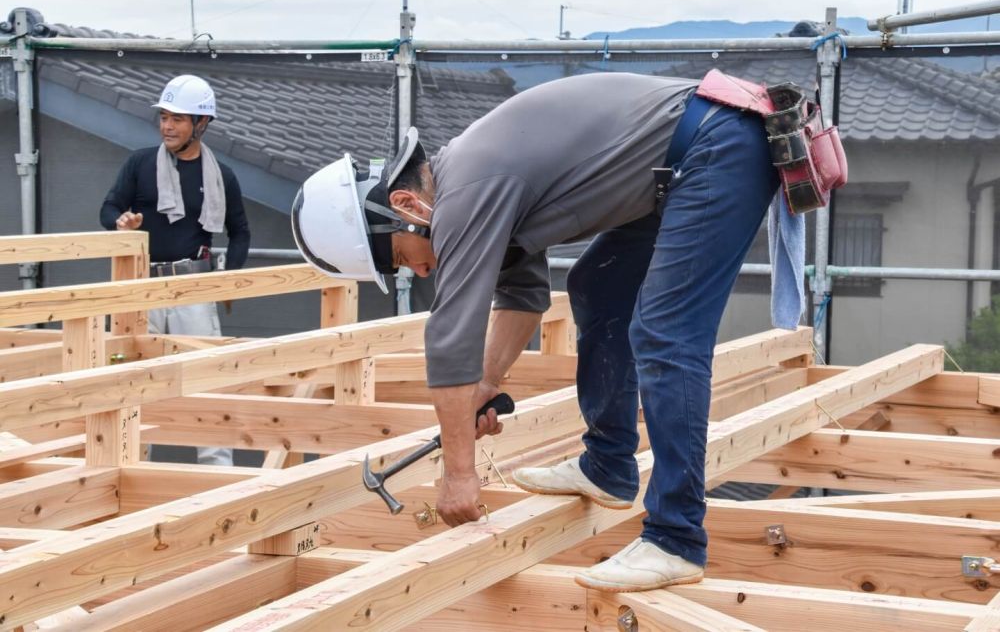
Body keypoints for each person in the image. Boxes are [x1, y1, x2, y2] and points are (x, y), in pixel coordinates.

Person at [292, 72, 806, 591]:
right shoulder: (478, 186)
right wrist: (485, 386)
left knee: (666, 335)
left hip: (716, 145)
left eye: (404, 258)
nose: (421, 272)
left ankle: (676, 539)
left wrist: (460, 473)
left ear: (405, 206)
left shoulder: (465, 190)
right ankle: (608, 467)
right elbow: (523, 297)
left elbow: (450, 338)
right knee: (596, 286)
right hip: (687, 157)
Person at [100, 74, 251, 467]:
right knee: (133, 377)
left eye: (177, 119)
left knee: (206, 378)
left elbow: (240, 232)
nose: (167, 126)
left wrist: (227, 281)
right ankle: (130, 464)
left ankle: (217, 472)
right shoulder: (139, 164)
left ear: (201, 124)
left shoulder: (222, 175)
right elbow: (108, 208)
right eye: (163, 117)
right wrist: (121, 223)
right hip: (141, 286)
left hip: (192, 286)